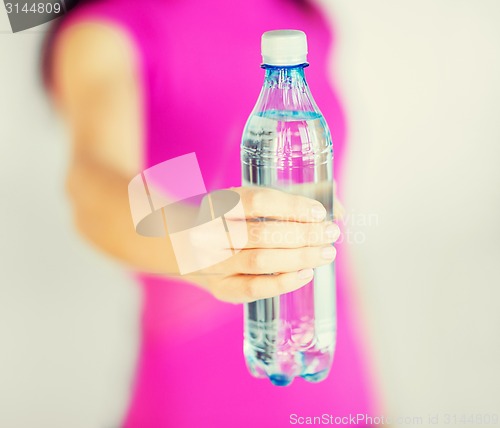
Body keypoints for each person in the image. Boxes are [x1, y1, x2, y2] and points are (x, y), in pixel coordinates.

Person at [44, 0, 377, 426]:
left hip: (339, 394)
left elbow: (331, 245)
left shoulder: (295, 17)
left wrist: (375, 401)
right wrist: (195, 243)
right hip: (203, 401)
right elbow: (96, 185)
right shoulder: (106, 29)